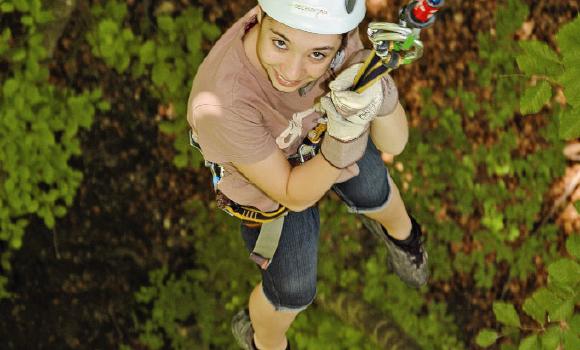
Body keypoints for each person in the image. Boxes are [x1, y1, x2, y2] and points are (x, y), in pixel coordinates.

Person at [186, 1, 428, 349]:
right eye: (280, 43)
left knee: (374, 189)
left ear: (341, 40)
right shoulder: (222, 101)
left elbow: (396, 143)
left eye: (317, 54)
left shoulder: (337, 37)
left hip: (326, 133)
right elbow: (292, 192)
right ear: (260, 16)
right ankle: (265, 341)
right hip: (270, 192)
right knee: (292, 291)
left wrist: (379, 93)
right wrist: (344, 137)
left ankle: (405, 239)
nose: (292, 70)